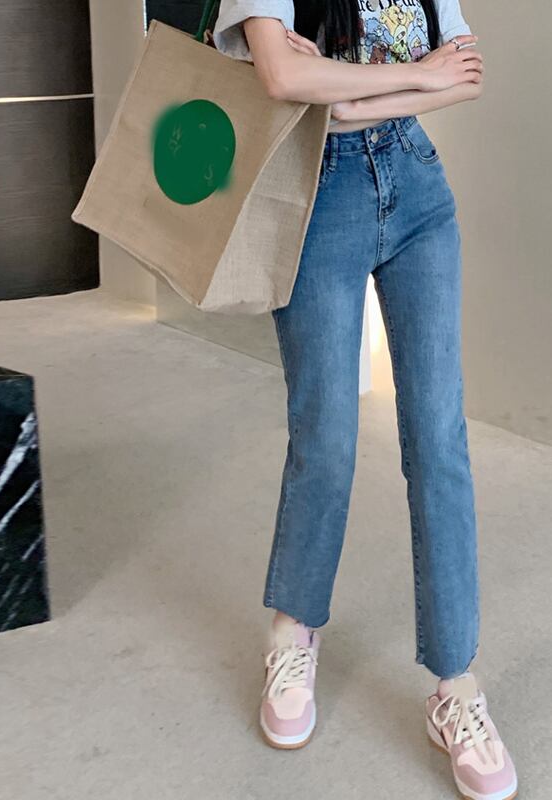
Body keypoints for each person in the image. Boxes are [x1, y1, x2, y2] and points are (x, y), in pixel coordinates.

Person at [212, 2, 517, 798]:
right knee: (326, 435)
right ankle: (293, 633)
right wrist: (417, 75)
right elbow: (280, 75)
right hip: (315, 194)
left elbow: (467, 75)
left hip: (418, 190)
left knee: (439, 442)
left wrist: (348, 97)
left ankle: (456, 686)